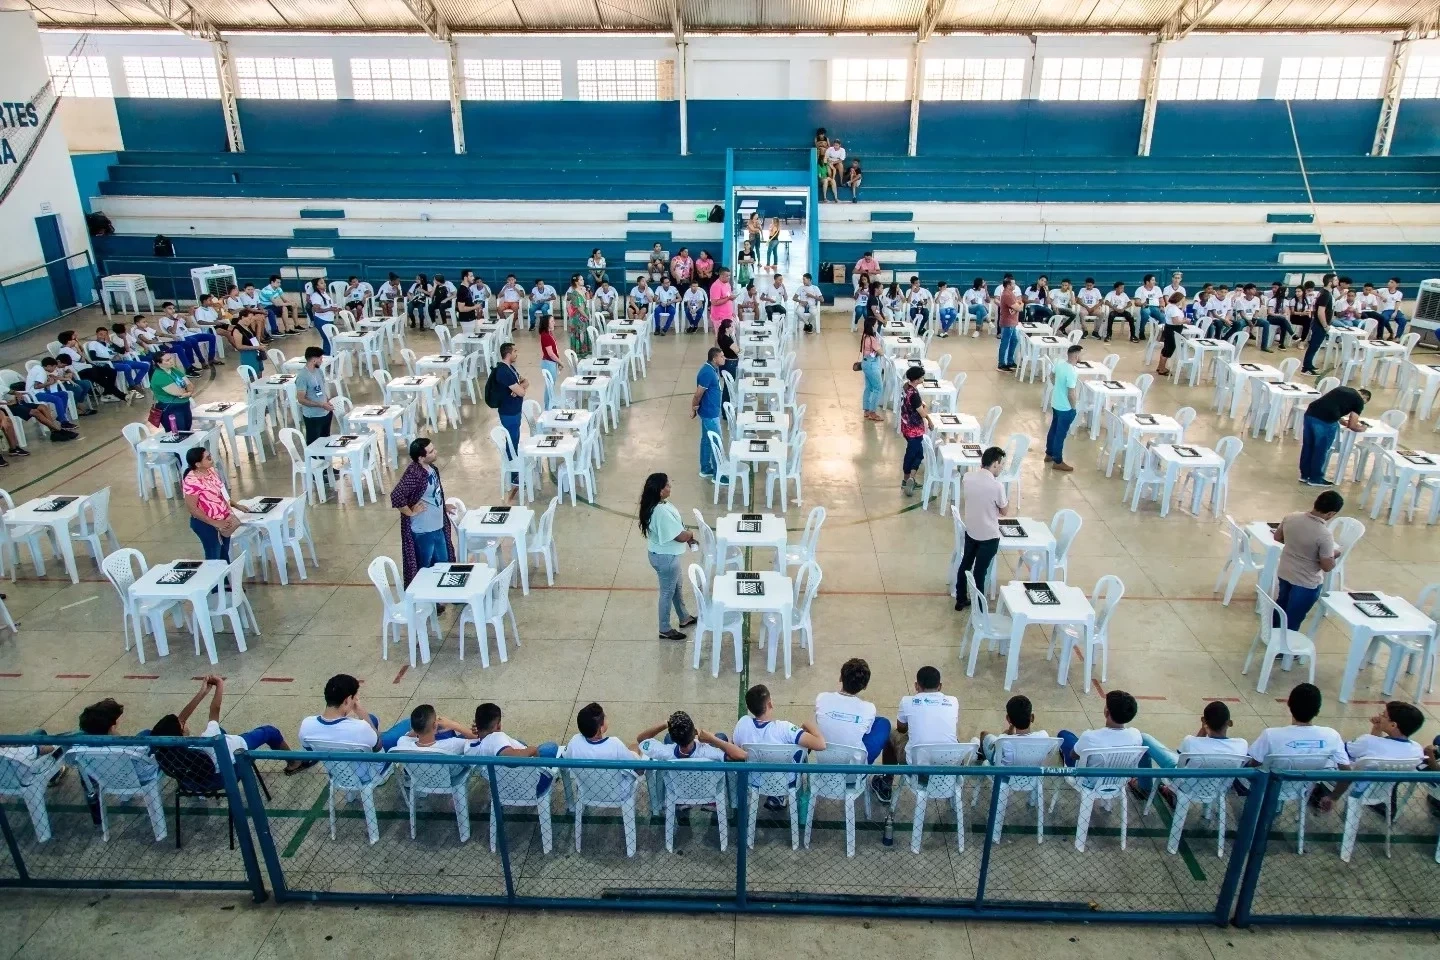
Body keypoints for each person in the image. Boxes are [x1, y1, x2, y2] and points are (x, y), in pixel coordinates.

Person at [150, 676, 306, 775]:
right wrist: (219, 685)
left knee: (221, 730)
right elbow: (215, 710)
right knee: (270, 731)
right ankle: (294, 762)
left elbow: (180, 719)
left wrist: (203, 692)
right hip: (230, 759)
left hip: (195, 777)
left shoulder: (166, 751)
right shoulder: (208, 739)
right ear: (182, 731)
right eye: (182, 723)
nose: (184, 720)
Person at [815, 658, 895, 802]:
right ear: (864, 686)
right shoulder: (869, 708)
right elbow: (868, 732)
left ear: (840, 677)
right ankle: (882, 780)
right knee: (883, 723)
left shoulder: (822, 698)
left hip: (825, 760)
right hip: (854, 770)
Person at [1272, 490, 1344, 634]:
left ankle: (1273, 638)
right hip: (1305, 581)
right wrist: (1335, 554)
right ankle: (1284, 649)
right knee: (1294, 616)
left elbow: (1278, 537)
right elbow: (1327, 566)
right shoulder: (1324, 535)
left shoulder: (1291, 517)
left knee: (1281, 606)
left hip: (1285, 571)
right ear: (1331, 514)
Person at [390, 437, 458, 587]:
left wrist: (442, 506)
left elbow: (434, 493)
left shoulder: (432, 469)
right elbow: (396, 495)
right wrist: (410, 512)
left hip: (437, 526)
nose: (436, 452)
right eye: (431, 451)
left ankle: (441, 597)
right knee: (425, 568)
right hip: (424, 531)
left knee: (443, 563)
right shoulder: (414, 474)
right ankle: (427, 601)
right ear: (421, 457)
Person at [1247, 682, 1349, 780]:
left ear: (1289, 704)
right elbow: (1347, 773)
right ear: (1317, 711)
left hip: (1270, 789)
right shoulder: (1332, 736)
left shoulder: (1270, 735)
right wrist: (1334, 797)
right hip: (1306, 791)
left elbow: (1253, 766)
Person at [638, 472, 697, 641]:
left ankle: (684, 617)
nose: (670, 487)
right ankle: (664, 628)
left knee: (676, 587)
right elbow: (679, 536)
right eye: (667, 486)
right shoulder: (660, 512)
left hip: (663, 555)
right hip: (666, 559)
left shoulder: (657, 504)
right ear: (659, 491)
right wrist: (690, 533)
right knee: (667, 592)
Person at [300, 673, 413, 754]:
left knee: (372, 718)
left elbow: (310, 750)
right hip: (371, 772)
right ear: (347, 700)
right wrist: (361, 712)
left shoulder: (306, 725)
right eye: (355, 698)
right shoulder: (360, 728)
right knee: (410, 723)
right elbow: (378, 748)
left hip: (338, 770)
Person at [954, 446, 1009, 610]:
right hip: (989, 536)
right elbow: (1004, 511)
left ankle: (960, 598)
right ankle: (979, 604)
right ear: (995, 464)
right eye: (1001, 464)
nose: (1002, 468)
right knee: (980, 571)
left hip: (971, 532)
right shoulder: (997, 486)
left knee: (965, 565)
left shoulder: (968, 478)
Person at [1139, 701, 1248, 774]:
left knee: (1144, 739)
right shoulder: (1242, 745)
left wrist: (1203, 729)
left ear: (1204, 721)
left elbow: (1182, 761)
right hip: (1217, 787)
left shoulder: (1191, 742)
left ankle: (1144, 787)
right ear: (1229, 723)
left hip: (1184, 782)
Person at [182, 447, 247, 562]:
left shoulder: (211, 471)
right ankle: (216, 580)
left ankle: (225, 580)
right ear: (198, 464)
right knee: (214, 556)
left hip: (224, 520)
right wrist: (216, 523)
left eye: (210, 456)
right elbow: (192, 509)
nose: (211, 459)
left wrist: (236, 505)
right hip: (206, 525)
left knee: (224, 553)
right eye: (207, 458)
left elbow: (222, 493)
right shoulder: (192, 481)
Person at [1299, 385, 1370, 486]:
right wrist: (1362, 428)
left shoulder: (1342, 389)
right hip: (1325, 421)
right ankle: (1315, 478)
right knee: (1320, 450)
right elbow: (1352, 426)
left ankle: (1304, 475)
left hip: (1311, 414)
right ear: (1365, 398)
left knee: (1308, 446)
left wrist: (1343, 421)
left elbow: (1332, 405)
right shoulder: (1359, 401)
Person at [1058, 689, 1143, 767]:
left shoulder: (1090, 737)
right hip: (1120, 781)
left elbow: (1074, 755)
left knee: (1064, 735)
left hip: (1088, 781)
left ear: (1107, 712)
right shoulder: (1136, 735)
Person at [893, 667, 960, 760]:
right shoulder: (953, 701)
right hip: (950, 763)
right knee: (953, 739)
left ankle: (888, 773)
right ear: (940, 686)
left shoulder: (906, 701)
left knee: (891, 734)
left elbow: (901, 729)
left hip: (915, 764)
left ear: (916, 685)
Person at [468, 703, 560, 767]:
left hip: (499, 782)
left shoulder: (475, 745)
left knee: (520, 742)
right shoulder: (497, 738)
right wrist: (532, 750)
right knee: (551, 747)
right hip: (529, 776)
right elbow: (511, 759)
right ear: (498, 725)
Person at [637, 711, 746, 764]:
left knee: (666, 738)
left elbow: (641, 739)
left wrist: (666, 723)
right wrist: (713, 739)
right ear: (694, 733)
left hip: (678, 792)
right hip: (707, 789)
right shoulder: (709, 752)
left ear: (674, 738)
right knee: (721, 736)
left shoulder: (662, 752)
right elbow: (742, 756)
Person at [492, 343, 527, 498]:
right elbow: (521, 391)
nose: (516, 353)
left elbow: (525, 383)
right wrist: (519, 390)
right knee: (511, 443)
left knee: (515, 440)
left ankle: (514, 469)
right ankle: (514, 474)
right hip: (509, 412)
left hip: (515, 411)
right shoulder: (503, 372)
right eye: (515, 351)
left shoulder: (511, 369)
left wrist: (520, 389)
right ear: (508, 354)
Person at [59, 329, 129, 403]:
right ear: (69, 341)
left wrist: (78, 347)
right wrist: (77, 349)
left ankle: (107, 393)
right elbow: (82, 359)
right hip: (80, 371)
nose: (76, 340)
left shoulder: (69, 348)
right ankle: (123, 396)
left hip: (87, 367)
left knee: (111, 371)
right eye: (74, 339)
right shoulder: (67, 350)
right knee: (100, 378)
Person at [978, 695, 1050, 765]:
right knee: (1007, 732)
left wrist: (1011, 724)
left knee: (984, 734)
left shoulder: (1003, 741)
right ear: (1032, 717)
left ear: (1008, 719)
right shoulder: (1044, 736)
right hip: (1034, 776)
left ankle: (985, 760)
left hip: (1007, 776)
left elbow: (1000, 744)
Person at [1046, 343, 1081, 471]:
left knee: (1053, 429)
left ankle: (1049, 453)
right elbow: (1071, 393)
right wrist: (1073, 408)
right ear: (1076, 356)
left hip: (1055, 402)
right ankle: (1058, 461)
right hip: (1065, 407)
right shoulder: (1072, 372)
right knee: (1060, 434)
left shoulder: (1060, 364)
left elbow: (1051, 375)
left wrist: (1057, 387)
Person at [567, 702, 640, 762]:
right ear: (601, 729)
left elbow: (564, 761)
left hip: (584, 779)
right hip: (615, 779)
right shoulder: (615, 744)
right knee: (635, 747)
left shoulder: (574, 741)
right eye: (604, 717)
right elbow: (638, 770)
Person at [692, 347, 725, 480]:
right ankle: (718, 475)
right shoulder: (707, 373)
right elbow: (698, 394)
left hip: (711, 411)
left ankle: (705, 468)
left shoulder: (713, 369)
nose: (724, 358)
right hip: (709, 414)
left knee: (706, 440)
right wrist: (693, 408)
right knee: (716, 442)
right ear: (714, 358)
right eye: (721, 356)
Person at [86, 325, 148, 395]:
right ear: (96, 334)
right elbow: (93, 357)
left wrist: (112, 342)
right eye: (101, 334)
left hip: (118, 361)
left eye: (105, 334)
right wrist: (109, 359)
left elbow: (122, 351)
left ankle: (134, 384)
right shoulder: (93, 344)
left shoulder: (108, 343)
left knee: (145, 366)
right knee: (127, 367)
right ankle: (132, 385)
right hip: (107, 364)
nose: (103, 336)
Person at [899, 366, 932, 497]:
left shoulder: (906, 387)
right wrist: (929, 419)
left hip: (905, 426)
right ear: (917, 379)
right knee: (913, 454)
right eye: (922, 377)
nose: (923, 379)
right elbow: (922, 413)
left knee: (918, 453)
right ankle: (906, 479)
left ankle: (911, 478)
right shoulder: (915, 395)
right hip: (914, 430)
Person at [391, 703, 474, 755]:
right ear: (435, 725)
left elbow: (407, 737)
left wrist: (421, 726)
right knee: (456, 732)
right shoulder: (453, 744)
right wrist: (453, 725)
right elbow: (478, 738)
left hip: (417, 780)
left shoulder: (402, 743)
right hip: (450, 778)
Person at [25, 357, 83, 426]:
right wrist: (49, 383)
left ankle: (60, 416)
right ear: (49, 366)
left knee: (64, 394)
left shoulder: (39, 368)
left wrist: (65, 379)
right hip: (35, 394)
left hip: (40, 392)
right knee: (57, 399)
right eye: (54, 367)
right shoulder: (41, 372)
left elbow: (53, 378)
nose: (54, 369)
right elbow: (36, 386)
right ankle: (63, 422)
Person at [149, 348, 194, 433]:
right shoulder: (160, 376)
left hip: (184, 404)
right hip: (171, 408)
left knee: (187, 430)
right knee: (178, 432)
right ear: (159, 363)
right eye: (167, 360)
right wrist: (187, 392)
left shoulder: (174, 370)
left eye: (170, 358)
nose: (171, 361)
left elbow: (190, 384)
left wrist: (189, 392)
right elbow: (179, 392)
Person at [296, 345, 333, 445]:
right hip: (313, 416)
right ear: (314, 360)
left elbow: (321, 388)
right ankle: (315, 461)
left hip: (325, 412)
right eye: (320, 359)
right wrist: (321, 405)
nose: (322, 361)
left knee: (325, 441)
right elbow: (301, 399)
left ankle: (325, 460)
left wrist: (327, 401)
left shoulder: (319, 371)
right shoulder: (302, 377)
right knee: (314, 443)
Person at [1302, 273, 1337, 375]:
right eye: (1335, 280)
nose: (1337, 282)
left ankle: (1309, 364)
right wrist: (1325, 325)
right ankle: (1306, 368)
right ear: (1330, 282)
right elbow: (1320, 312)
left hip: (1319, 323)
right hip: (1319, 324)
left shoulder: (1325, 292)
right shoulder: (1325, 294)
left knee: (1315, 346)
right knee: (1314, 345)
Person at [857, 314, 884, 423]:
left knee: (868, 387)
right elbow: (881, 352)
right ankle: (873, 412)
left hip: (865, 363)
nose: (877, 325)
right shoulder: (872, 339)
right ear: (873, 326)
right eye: (876, 324)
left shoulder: (864, 337)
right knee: (878, 388)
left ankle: (867, 410)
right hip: (872, 365)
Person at [1155, 291, 1187, 378]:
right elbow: (1176, 321)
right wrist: (1185, 321)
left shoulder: (1170, 306)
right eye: (1183, 300)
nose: (1183, 302)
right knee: (1169, 349)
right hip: (1172, 330)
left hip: (1169, 329)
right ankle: (1162, 369)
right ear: (1179, 300)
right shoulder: (1173, 309)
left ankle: (1160, 366)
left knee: (1166, 349)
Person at [230, 309, 266, 379]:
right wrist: (256, 347)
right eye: (249, 319)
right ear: (243, 317)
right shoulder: (237, 330)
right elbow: (239, 346)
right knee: (252, 376)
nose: (250, 321)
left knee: (259, 374)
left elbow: (254, 339)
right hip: (248, 355)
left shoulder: (247, 327)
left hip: (255, 353)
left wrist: (259, 326)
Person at [996, 276, 1021, 371]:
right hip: (1008, 322)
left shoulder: (1011, 294)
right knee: (1005, 343)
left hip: (1013, 322)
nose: (1015, 285)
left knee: (1014, 341)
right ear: (1008, 285)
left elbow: (1018, 305)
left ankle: (1010, 361)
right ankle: (1001, 364)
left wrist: (1019, 305)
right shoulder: (1007, 295)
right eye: (1013, 283)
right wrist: (1019, 305)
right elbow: (1019, 308)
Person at [538, 314, 561, 409]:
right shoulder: (545, 336)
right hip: (549, 363)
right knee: (549, 386)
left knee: (551, 385)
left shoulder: (549, 333)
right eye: (552, 321)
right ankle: (547, 406)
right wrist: (560, 362)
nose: (554, 323)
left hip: (552, 363)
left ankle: (551, 403)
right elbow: (550, 353)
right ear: (546, 323)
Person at [1264, 282, 1297, 350]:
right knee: (1283, 320)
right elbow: (1270, 312)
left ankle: (1281, 344)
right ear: (1282, 292)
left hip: (1281, 319)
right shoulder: (1272, 300)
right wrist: (1279, 315)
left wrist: (1285, 313)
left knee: (1283, 322)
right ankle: (1292, 335)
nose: (1287, 292)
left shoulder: (1286, 301)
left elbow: (1287, 311)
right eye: (1286, 291)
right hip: (1271, 318)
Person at [715, 317, 739, 400]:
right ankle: (726, 403)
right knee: (729, 387)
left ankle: (726, 401)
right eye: (732, 327)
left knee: (727, 385)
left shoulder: (721, 337)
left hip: (726, 362)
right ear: (727, 329)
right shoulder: (728, 340)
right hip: (730, 364)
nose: (733, 328)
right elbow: (737, 351)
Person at [709, 266, 735, 335]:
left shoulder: (727, 284)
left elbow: (728, 297)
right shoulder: (716, 286)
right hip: (719, 317)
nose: (729, 277)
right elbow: (714, 302)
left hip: (728, 315)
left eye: (729, 275)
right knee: (719, 337)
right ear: (721, 275)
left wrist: (732, 311)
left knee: (727, 337)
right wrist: (728, 298)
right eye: (727, 276)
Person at [454, 269, 479, 335]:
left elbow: (468, 302)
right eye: (471, 276)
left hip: (471, 317)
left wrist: (475, 306)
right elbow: (461, 309)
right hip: (466, 319)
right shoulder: (462, 290)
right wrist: (474, 307)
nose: (473, 278)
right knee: (468, 338)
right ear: (465, 277)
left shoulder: (467, 288)